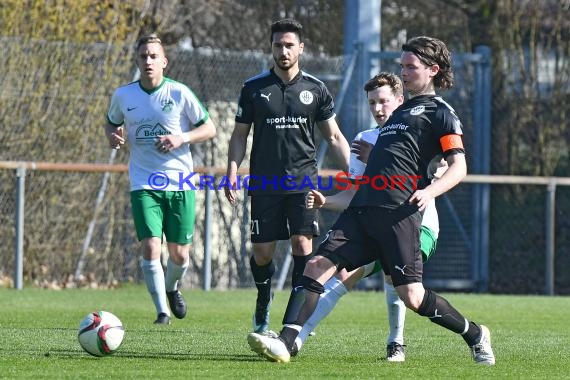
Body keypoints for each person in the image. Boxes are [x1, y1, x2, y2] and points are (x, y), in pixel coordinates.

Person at [247, 36, 496, 365]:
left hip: (399, 214)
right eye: (402, 66)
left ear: (433, 70)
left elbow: (459, 165)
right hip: (362, 212)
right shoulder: (397, 114)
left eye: (411, 67)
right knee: (317, 266)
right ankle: (287, 340)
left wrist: (430, 189)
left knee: (412, 296)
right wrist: (334, 199)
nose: (404, 72)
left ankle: (475, 334)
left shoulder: (441, 113)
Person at [292, 72, 447, 362]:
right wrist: (325, 201)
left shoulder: (418, 131)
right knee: (344, 274)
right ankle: (295, 337)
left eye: (384, 101)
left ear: (400, 101)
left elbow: (427, 174)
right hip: (378, 227)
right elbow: (353, 194)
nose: (377, 109)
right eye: (372, 102)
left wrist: (376, 156)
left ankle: (396, 341)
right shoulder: (363, 139)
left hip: (418, 225)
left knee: (393, 276)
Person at [224, 19, 350, 335]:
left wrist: (356, 175)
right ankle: (264, 295)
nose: (284, 51)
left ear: (301, 48)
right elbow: (240, 135)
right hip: (265, 184)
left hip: (303, 183)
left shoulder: (316, 89)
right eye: (278, 45)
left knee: (302, 244)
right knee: (262, 252)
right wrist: (231, 172)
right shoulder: (253, 88)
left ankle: (294, 322)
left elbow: (334, 137)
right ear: (271, 48)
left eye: (289, 45)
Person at [104, 34, 217, 324]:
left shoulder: (179, 93)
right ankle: (161, 311)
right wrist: (113, 137)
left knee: (179, 255)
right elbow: (111, 123)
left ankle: (171, 287)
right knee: (152, 246)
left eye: (154, 56)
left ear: (164, 62)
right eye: (143, 56)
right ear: (138, 60)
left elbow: (210, 129)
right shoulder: (123, 96)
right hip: (143, 183)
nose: (148, 61)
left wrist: (182, 138)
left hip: (180, 184)